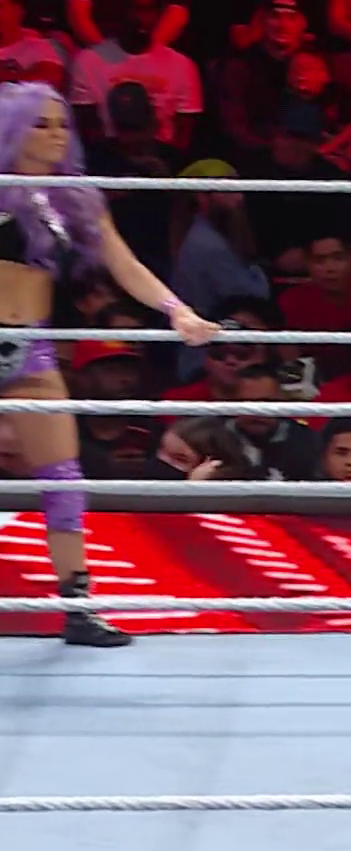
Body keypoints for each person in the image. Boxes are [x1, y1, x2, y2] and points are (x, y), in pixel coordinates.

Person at [0, 80, 217, 646]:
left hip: (30, 348)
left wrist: (176, 310)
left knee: (62, 478)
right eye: (40, 123)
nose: (55, 134)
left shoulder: (74, 197)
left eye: (62, 124)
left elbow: (126, 265)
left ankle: (78, 609)